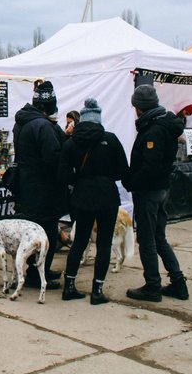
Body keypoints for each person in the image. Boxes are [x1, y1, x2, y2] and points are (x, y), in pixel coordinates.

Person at [58, 98, 128, 305]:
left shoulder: (71, 143)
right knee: (104, 243)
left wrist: (78, 179)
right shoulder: (111, 139)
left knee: (79, 241)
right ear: (98, 119)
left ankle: (69, 286)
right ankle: (97, 290)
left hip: (81, 196)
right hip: (107, 196)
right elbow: (123, 170)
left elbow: (62, 174)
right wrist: (106, 177)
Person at [123, 84, 189, 302]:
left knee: (148, 239)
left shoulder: (154, 129)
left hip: (149, 191)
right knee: (159, 237)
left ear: (139, 108)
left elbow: (150, 166)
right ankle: (178, 282)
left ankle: (152, 285)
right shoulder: (162, 124)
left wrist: (131, 181)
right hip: (162, 189)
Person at [12, 80, 65, 290]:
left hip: (27, 185)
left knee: (32, 231)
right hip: (43, 187)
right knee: (47, 232)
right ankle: (36, 274)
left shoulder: (21, 123)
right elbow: (52, 158)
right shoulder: (42, 126)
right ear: (47, 106)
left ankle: (37, 270)